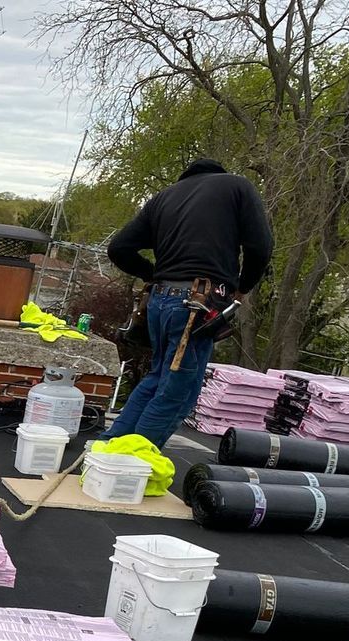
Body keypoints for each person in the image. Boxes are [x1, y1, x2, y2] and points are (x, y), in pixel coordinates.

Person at [105, 158, 273, 448]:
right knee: (177, 392)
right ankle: (130, 460)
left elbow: (119, 248)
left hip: (160, 301)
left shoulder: (164, 198)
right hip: (196, 304)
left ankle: (107, 449)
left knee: (157, 379)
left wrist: (153, 274)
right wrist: (241, 288)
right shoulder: (237, 187)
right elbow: (261, 246)